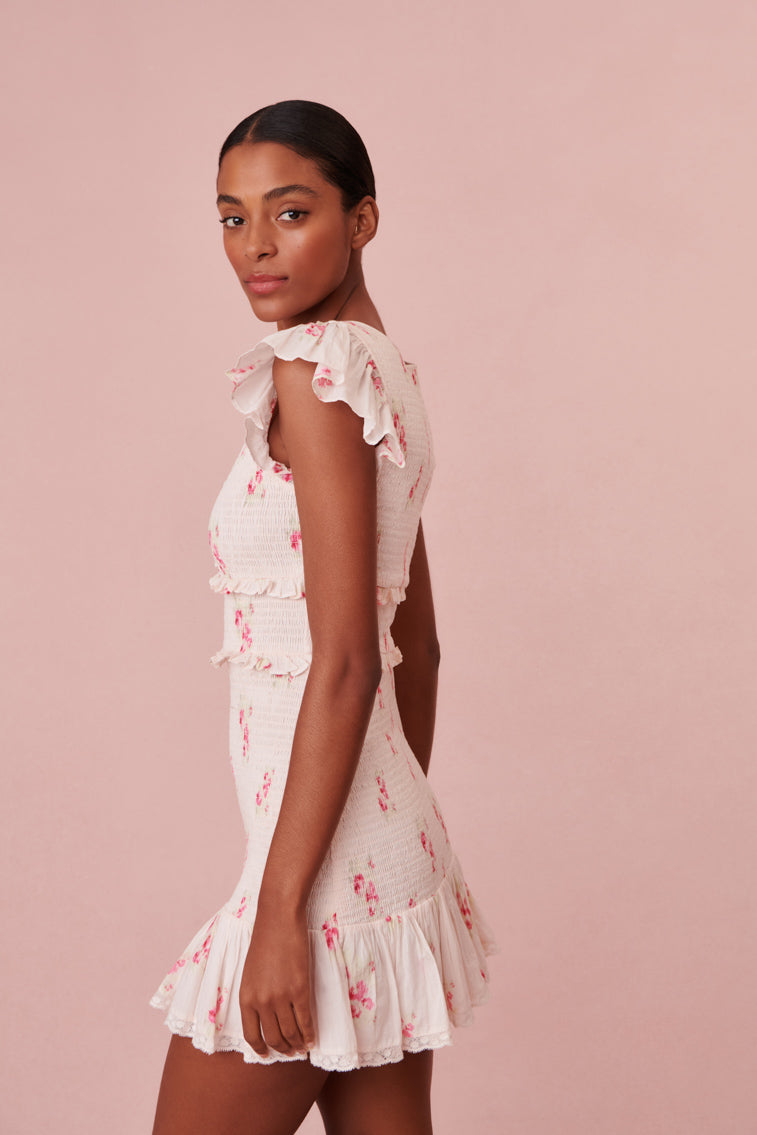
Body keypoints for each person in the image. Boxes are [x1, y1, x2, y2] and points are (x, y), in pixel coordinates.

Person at [149, 99, 497, 1135]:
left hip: (321, 881)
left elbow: (351, 659)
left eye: (291, 212)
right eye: (232, 217)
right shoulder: (384, 373)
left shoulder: (317, 371)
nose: (255, 245)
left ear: (362, 219)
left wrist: (283, 909)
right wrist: (385, 816)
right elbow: (417, 644)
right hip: (376, 847)